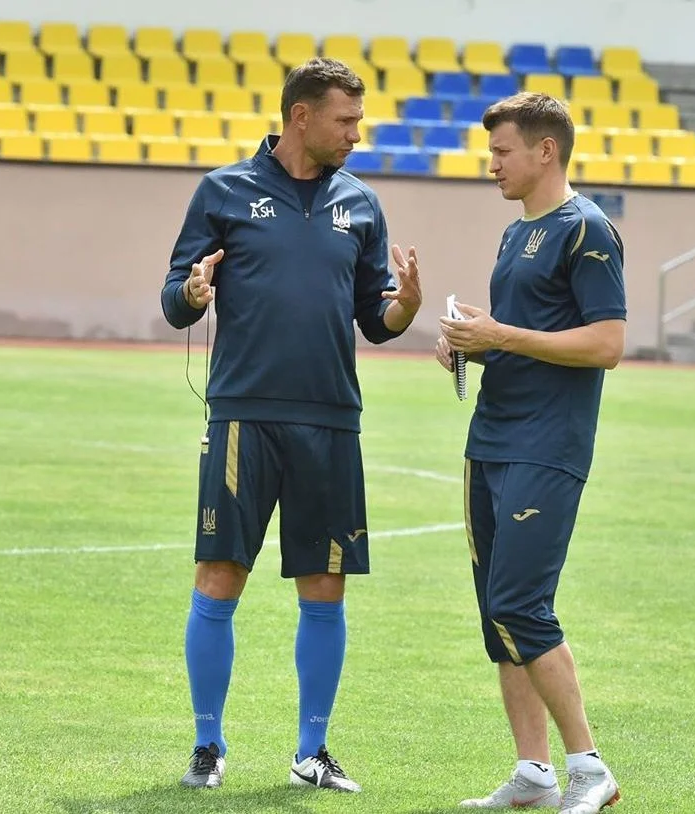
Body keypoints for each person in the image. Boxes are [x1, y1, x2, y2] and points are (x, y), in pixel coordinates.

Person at [159, 57, 422, 792]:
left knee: (325, 586)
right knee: (219, 577)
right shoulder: (223, 191)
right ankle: (207, 745)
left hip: (331, 422)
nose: (357, 134)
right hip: (244, 416)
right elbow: (175, 299)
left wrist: (404, 306)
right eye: (346, 120)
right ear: (300, 117)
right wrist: (193, 291)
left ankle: (312, 751)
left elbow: (376, 319)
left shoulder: (361, 204)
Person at [436, 92, 627, 814]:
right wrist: (473, 346)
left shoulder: (588, 230)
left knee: (521, 603)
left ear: (546, 151)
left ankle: (590, 769)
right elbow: (529, 338)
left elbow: (607, 343)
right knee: (499, 613)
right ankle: (534, 772)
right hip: (490, 438)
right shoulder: (515, 233)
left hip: (547, 445)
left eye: (502, 151)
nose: (491, 164)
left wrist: (501, 336)